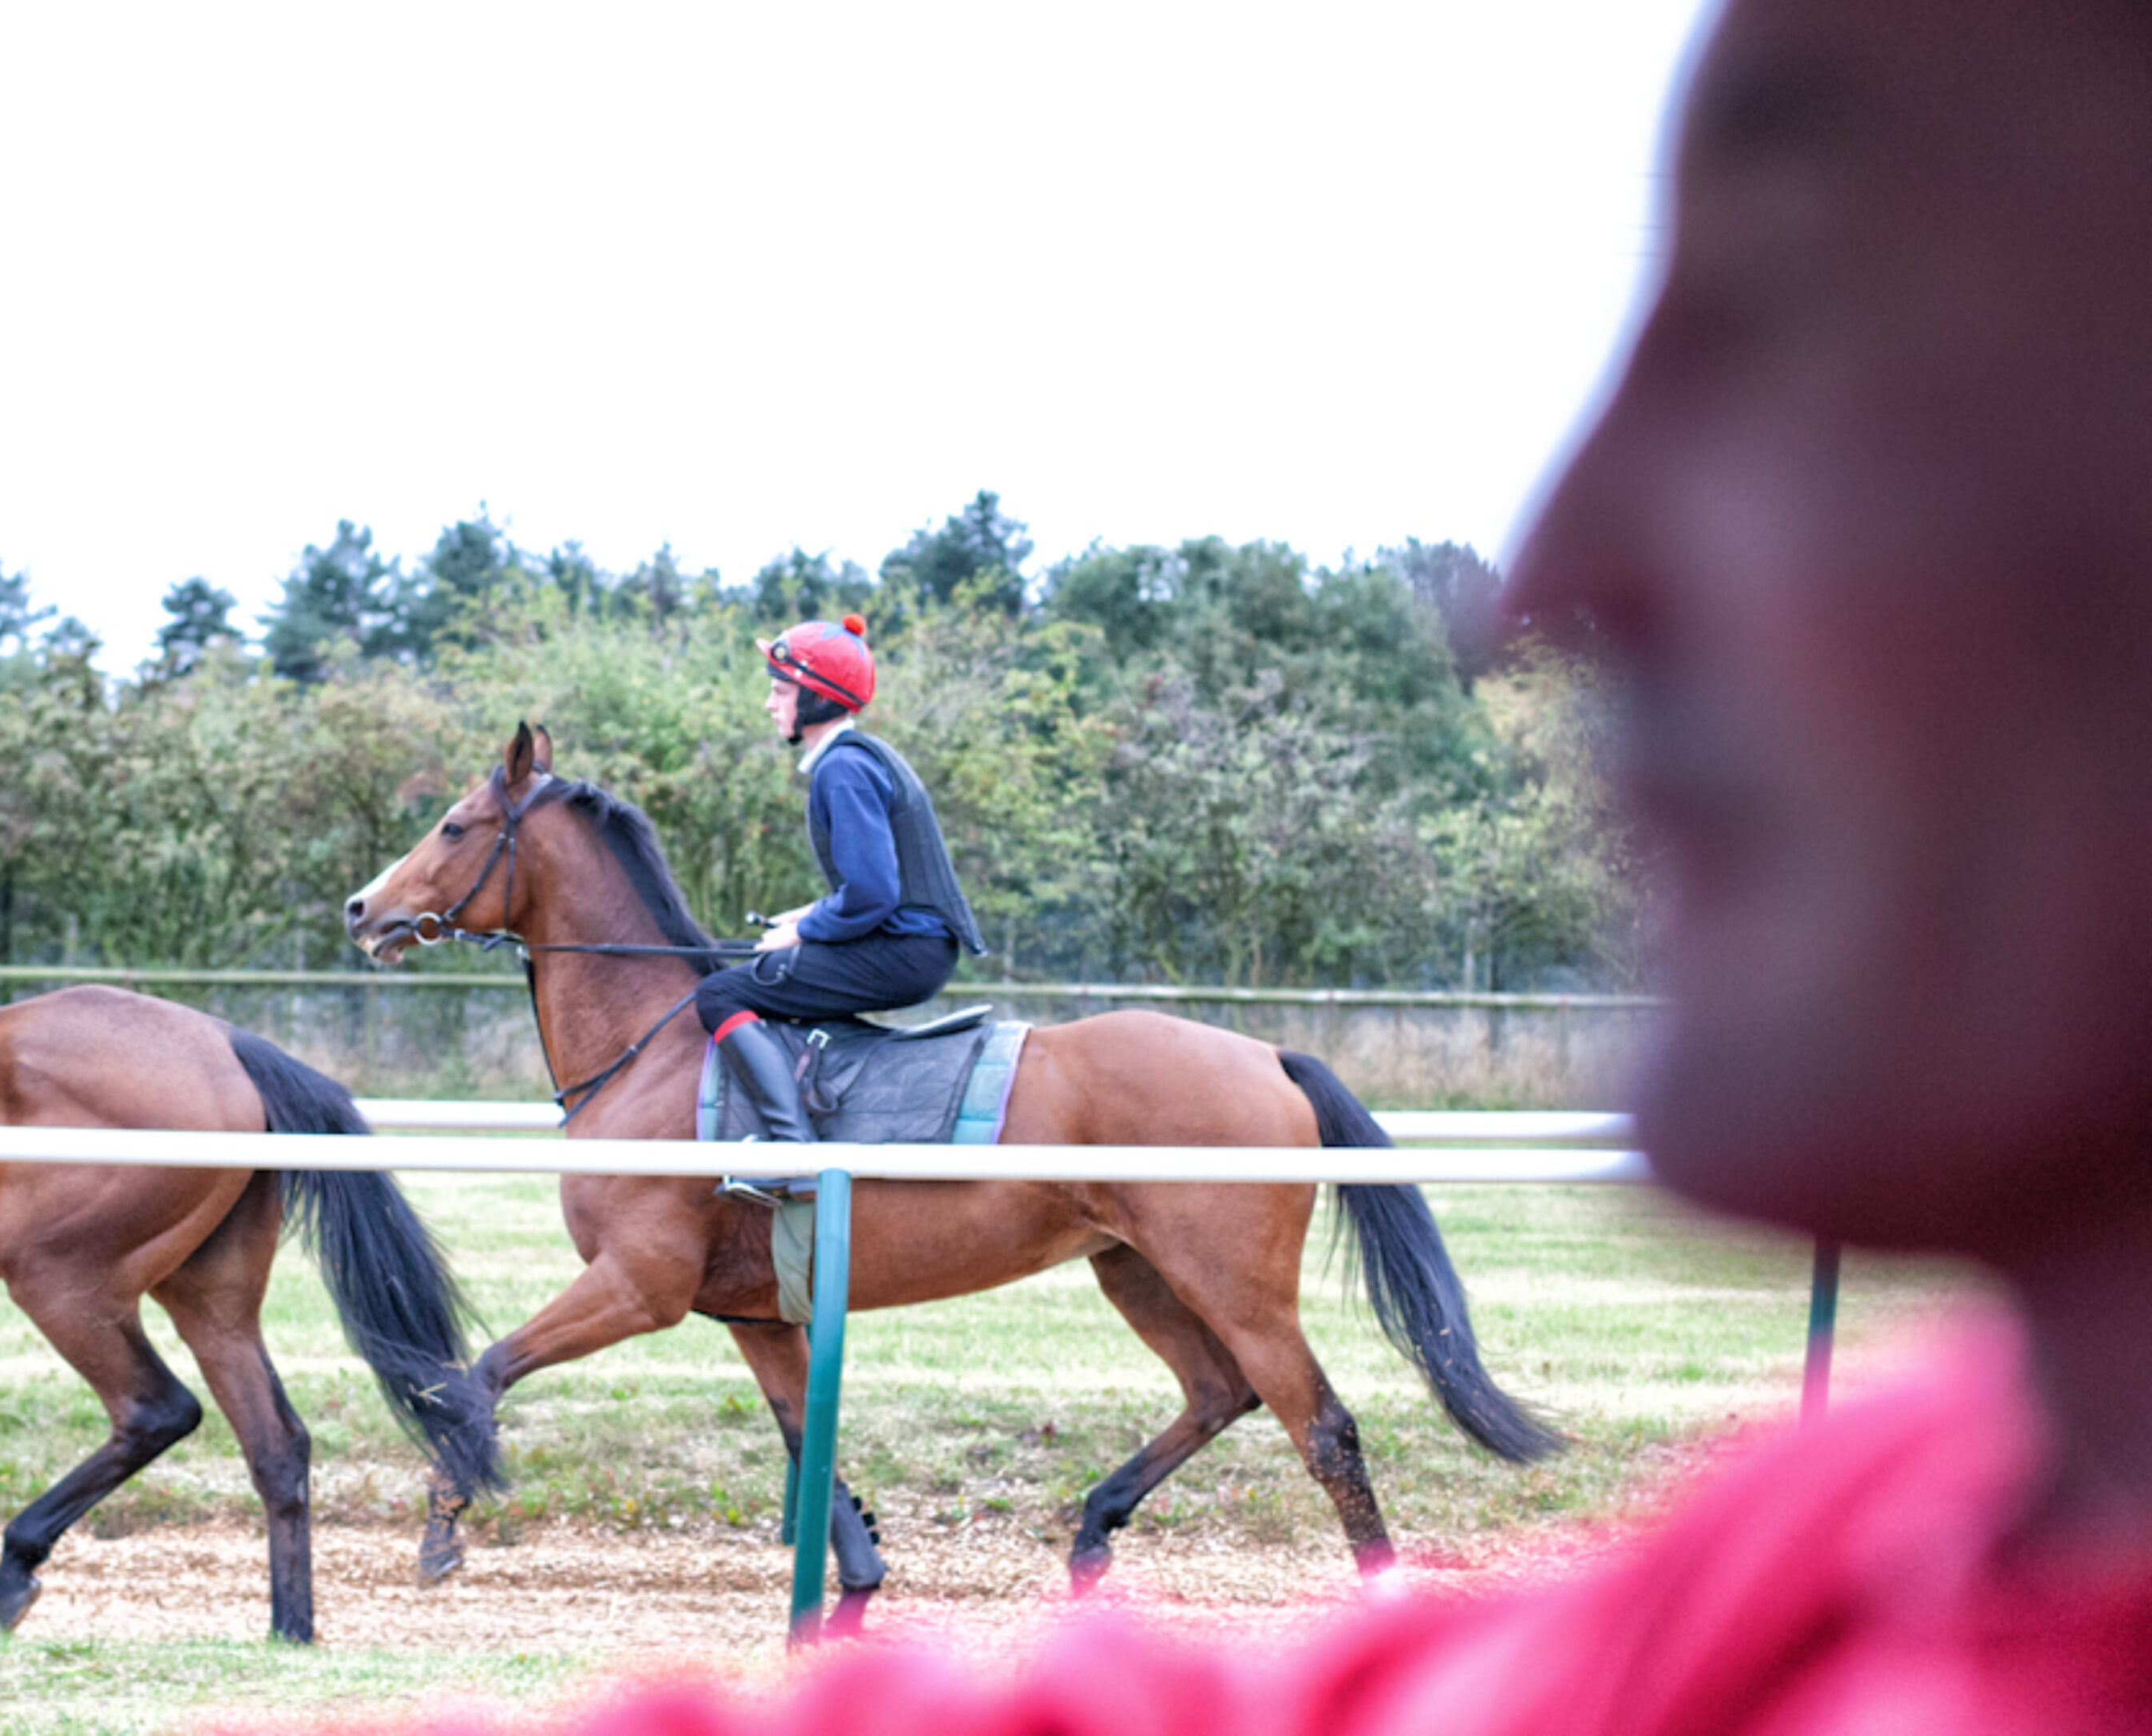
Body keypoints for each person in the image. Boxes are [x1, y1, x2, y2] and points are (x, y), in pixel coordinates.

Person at [363, 0, 2152, 1728]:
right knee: (750, 983)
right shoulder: (1849, 1527)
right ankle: (834, 1412)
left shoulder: (844, 764)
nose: (1543, 581)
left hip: (894, 959)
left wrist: (780, 945)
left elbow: (883, 911)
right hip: (899, 950)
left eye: (1792, 343)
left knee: (747, 1004)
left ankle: (768, 1168)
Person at [699, 613, 986, 1190]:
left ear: (816, 699)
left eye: (781, 691)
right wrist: (805, 914)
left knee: (719, 992)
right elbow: (873, 887)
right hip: (911, 945)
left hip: (905, 952)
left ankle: (793, 1152)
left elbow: (873, 895)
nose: (769, 703)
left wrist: (801, 933)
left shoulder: (843, 769)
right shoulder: (856, 758)